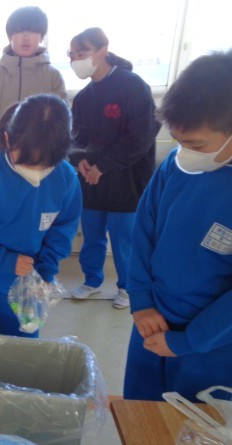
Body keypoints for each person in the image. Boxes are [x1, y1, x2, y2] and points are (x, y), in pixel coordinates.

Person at [123, 50, 232, 402]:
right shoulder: (176, 165)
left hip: (211, 344)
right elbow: (143, 233)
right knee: (141, 416)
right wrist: (141, 301)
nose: (185, 152)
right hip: (151, 321)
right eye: (178, 141)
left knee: (195, 428)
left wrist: (187, 341)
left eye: (196, 144)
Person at [0, 94, 82, 358]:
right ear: (8, 140)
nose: (37, 172)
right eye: (28, 162)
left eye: (47, 165)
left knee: (22, 353)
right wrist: (6, 260)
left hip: (28, 281)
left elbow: (62, 231)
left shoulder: (65, 179)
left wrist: (46, 271)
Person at [67, 28, 160, 309]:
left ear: (102, 50)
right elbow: (75, 137)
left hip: (127, 180)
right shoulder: (83, 97)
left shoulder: (132, 86)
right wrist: (78, 159)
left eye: (82, 53)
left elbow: (141, 137)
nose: (76, 60)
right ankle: (92, 280)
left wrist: (104, 166)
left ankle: (128, 287)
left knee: (125, 240)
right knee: (92, 235)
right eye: (72, 55)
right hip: (91, 180)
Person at [0, 6, 67, 156]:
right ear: (10, 36)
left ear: (41, 37)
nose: (26, 37)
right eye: (19, 31)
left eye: (33, 31)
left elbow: (61, 122)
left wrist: (44, 156)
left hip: (41, 160)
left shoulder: (52, 76)